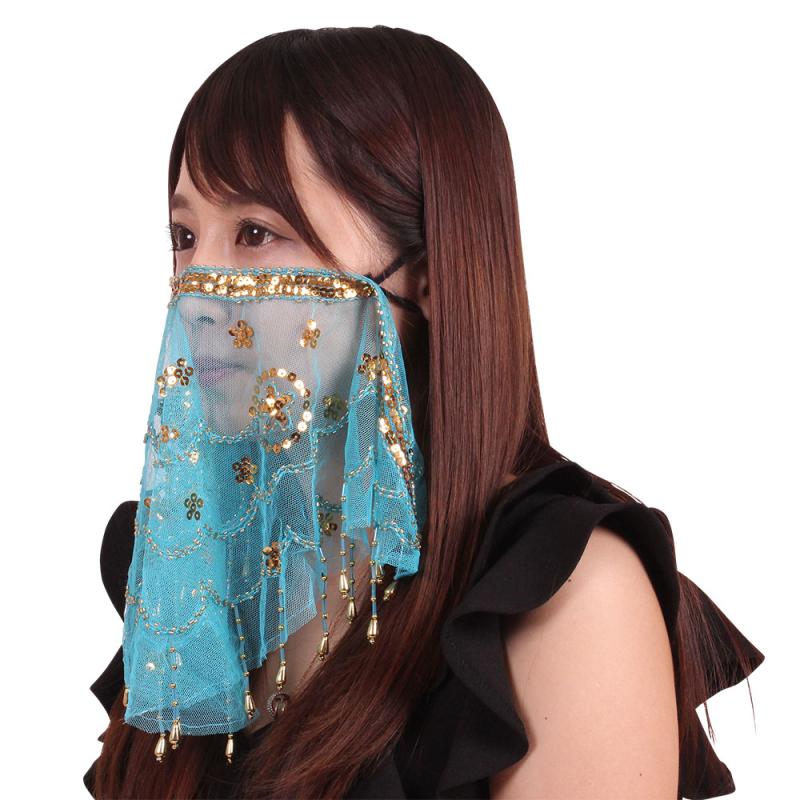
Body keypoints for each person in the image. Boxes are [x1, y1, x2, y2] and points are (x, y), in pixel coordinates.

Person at [84, 26, 764, 799]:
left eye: (257, 233)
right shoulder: (189, 568)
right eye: (184, 236)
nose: (198, 291)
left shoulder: (569, 597)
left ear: (430, 278)